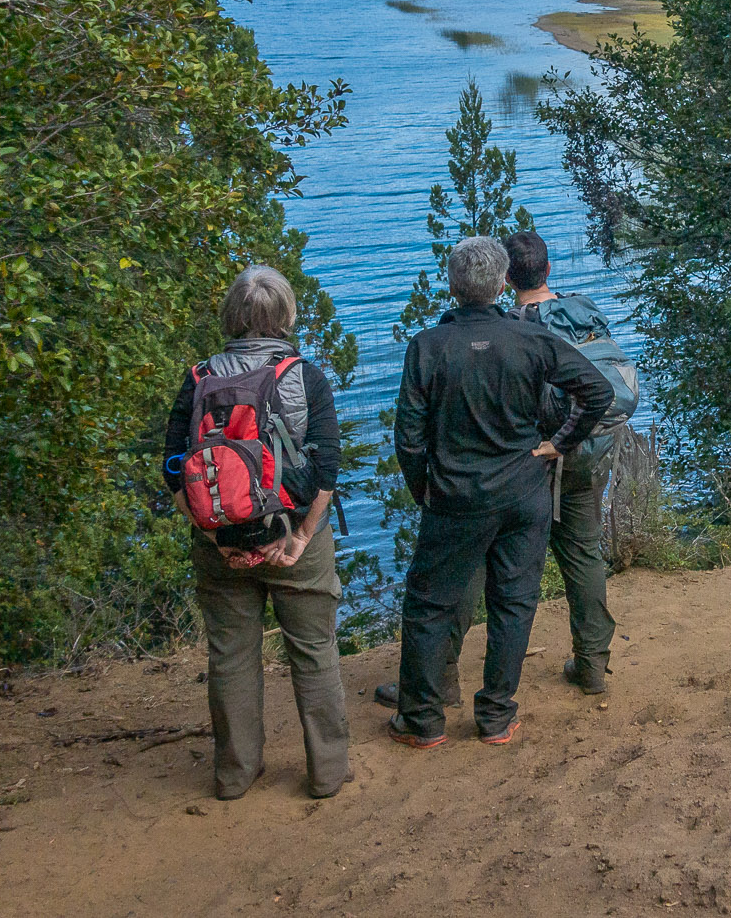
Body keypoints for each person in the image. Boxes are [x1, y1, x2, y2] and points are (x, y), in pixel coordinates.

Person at [387, 236, 613, 748]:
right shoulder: (529, 339)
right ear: (500, 282)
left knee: (429, 603)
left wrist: (423, 488)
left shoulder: (428, 346)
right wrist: (560, 443)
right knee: (513, 602)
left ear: (453, 285)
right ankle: (494, 716)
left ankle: (422, 720)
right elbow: (596, 390)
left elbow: (409, 436)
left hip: (455, 496)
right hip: (521, 492)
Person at [163, 265, 351, 800]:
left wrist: (214, 536)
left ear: (231, 316)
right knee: (313, 650)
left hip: (220, 538)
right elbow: (326, 469)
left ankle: (235, 774)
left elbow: (174, 468)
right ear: (286, 316)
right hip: (293, 534)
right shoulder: (304, 375)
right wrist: (299, 538)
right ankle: (328, 773)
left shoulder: (199, 378)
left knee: (231, 655)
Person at [503, 229, 620, 696]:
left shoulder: (506, 327)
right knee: (584, 555)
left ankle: (470, 673)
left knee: (506, 566)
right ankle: (592, 666)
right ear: (548, 269)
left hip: (530, 463)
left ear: (506, 278)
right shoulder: (584, 310)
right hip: (585, 457)